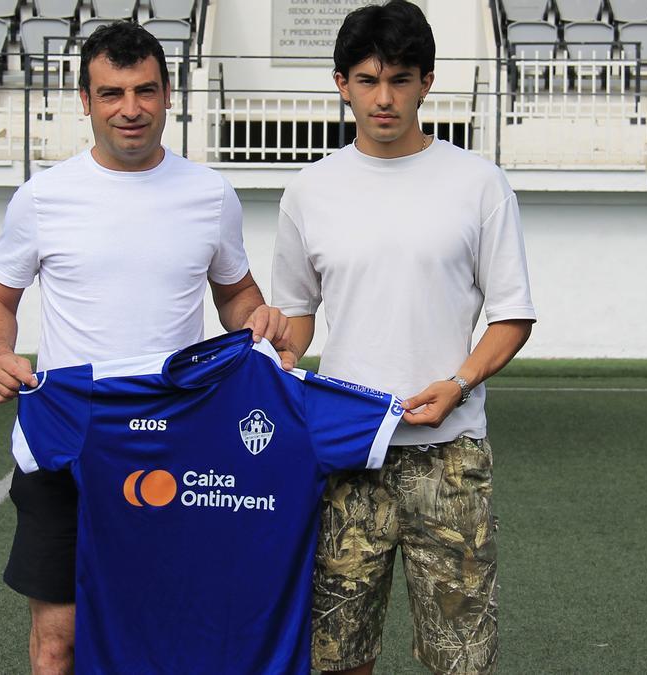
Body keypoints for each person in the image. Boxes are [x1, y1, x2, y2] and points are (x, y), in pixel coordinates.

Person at [0, 21, 287, 674]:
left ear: (169, 94)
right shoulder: (43, 198)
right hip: (68, 442)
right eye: (111, 93)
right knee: (58, 642)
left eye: (145, 90)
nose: (131, 108)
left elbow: (237, 296)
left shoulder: (210, 196)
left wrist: (258, 320)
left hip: (178, 444)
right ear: (84, 100)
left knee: (169, 629)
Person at [270, 2, 537, 673]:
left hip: (449, 458)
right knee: (336, 657)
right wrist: (280, 354)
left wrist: (458, 383)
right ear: (341, 83)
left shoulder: (478, 184)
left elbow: (512, 315)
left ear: (427, 81)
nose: (383, 98)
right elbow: (296, 313)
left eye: (400, 79)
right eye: (366, 79)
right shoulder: (309, 191)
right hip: (344, 457)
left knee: (461, 661)